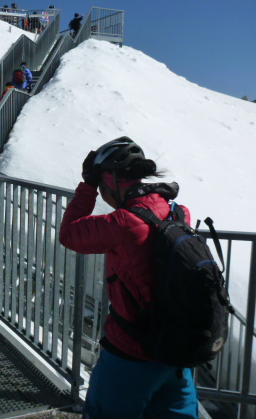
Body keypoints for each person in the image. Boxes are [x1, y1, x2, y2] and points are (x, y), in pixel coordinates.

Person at [59, 137, 199, 419]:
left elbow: (69, 234)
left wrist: (87, 186)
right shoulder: (178, 212)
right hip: (176, 349)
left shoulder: (123, 223)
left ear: (110, 179)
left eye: (101, 185)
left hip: (131, 353)